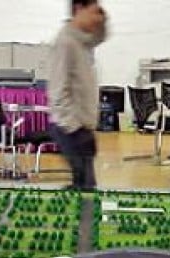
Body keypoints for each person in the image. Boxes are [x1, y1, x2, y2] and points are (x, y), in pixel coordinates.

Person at [47, 0, 107, 190]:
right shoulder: (65, 42)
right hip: (70, 128)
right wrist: (73, 127)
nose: (95, 18)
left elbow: (98, 37)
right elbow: (57, 89)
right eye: (92, 12)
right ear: (79, 9)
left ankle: (81, 203)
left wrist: (103, 21)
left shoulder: (81, 40)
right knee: (85, 187)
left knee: (84, 185)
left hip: (82, 126)